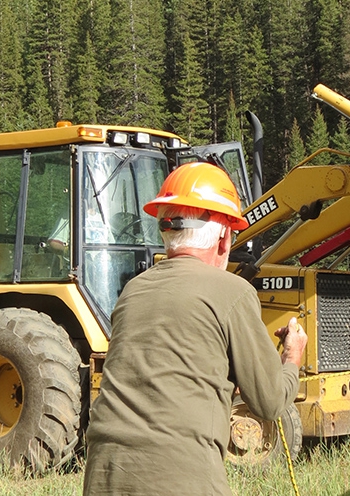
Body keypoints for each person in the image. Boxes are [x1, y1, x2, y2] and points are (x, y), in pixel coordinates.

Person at [83, 162, 308, 495]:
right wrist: (292, 356)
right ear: (223, 237)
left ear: (167, 230)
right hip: (180, 476)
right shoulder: (233, 291)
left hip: (104, 475)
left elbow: (165, 376)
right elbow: (270, 402)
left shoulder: (133, 290)